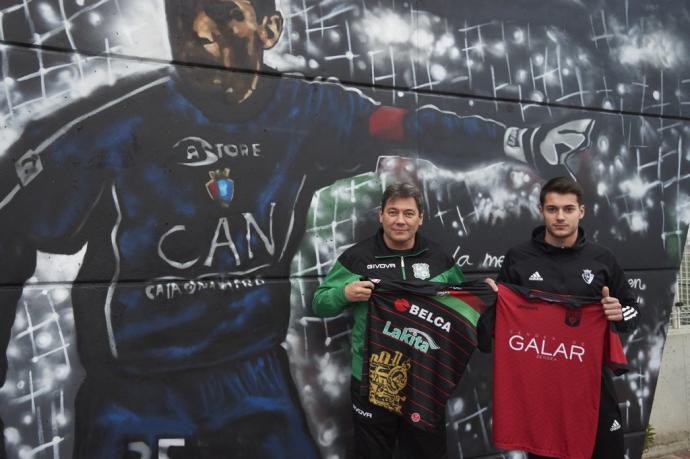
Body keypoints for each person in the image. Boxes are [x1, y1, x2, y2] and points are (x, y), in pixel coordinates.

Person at [0, 0, 596, 457]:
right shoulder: (114, 128)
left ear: (270, 30)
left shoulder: (310, 114)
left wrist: (519, 141)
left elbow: (410, 125)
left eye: (226, 15)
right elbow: (10, 225)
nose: (201, 31)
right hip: (135, 392)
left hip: (253, 375)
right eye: (185, 14)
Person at [488, 176, 639, 458]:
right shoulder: (518, 258)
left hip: (592, 386)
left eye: (568, 209)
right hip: (539, 392)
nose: (560, 217)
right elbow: (498, 320)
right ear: (541, 211)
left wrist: (618, 313)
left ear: (581, 211)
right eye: (552, 209)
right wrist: (487, 301)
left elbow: (632, 312)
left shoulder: (602, 259)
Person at [311, 182, 463, 459]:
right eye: (393, 212)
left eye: (408, 213)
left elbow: (462, 306)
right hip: (372, 378)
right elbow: (320, 303)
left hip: (424, 378)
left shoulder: (440, 259)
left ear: (420, 218)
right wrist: (344, 293)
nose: (400, 221)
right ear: (381, 215)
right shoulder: (357, 258)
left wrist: (488, 294)